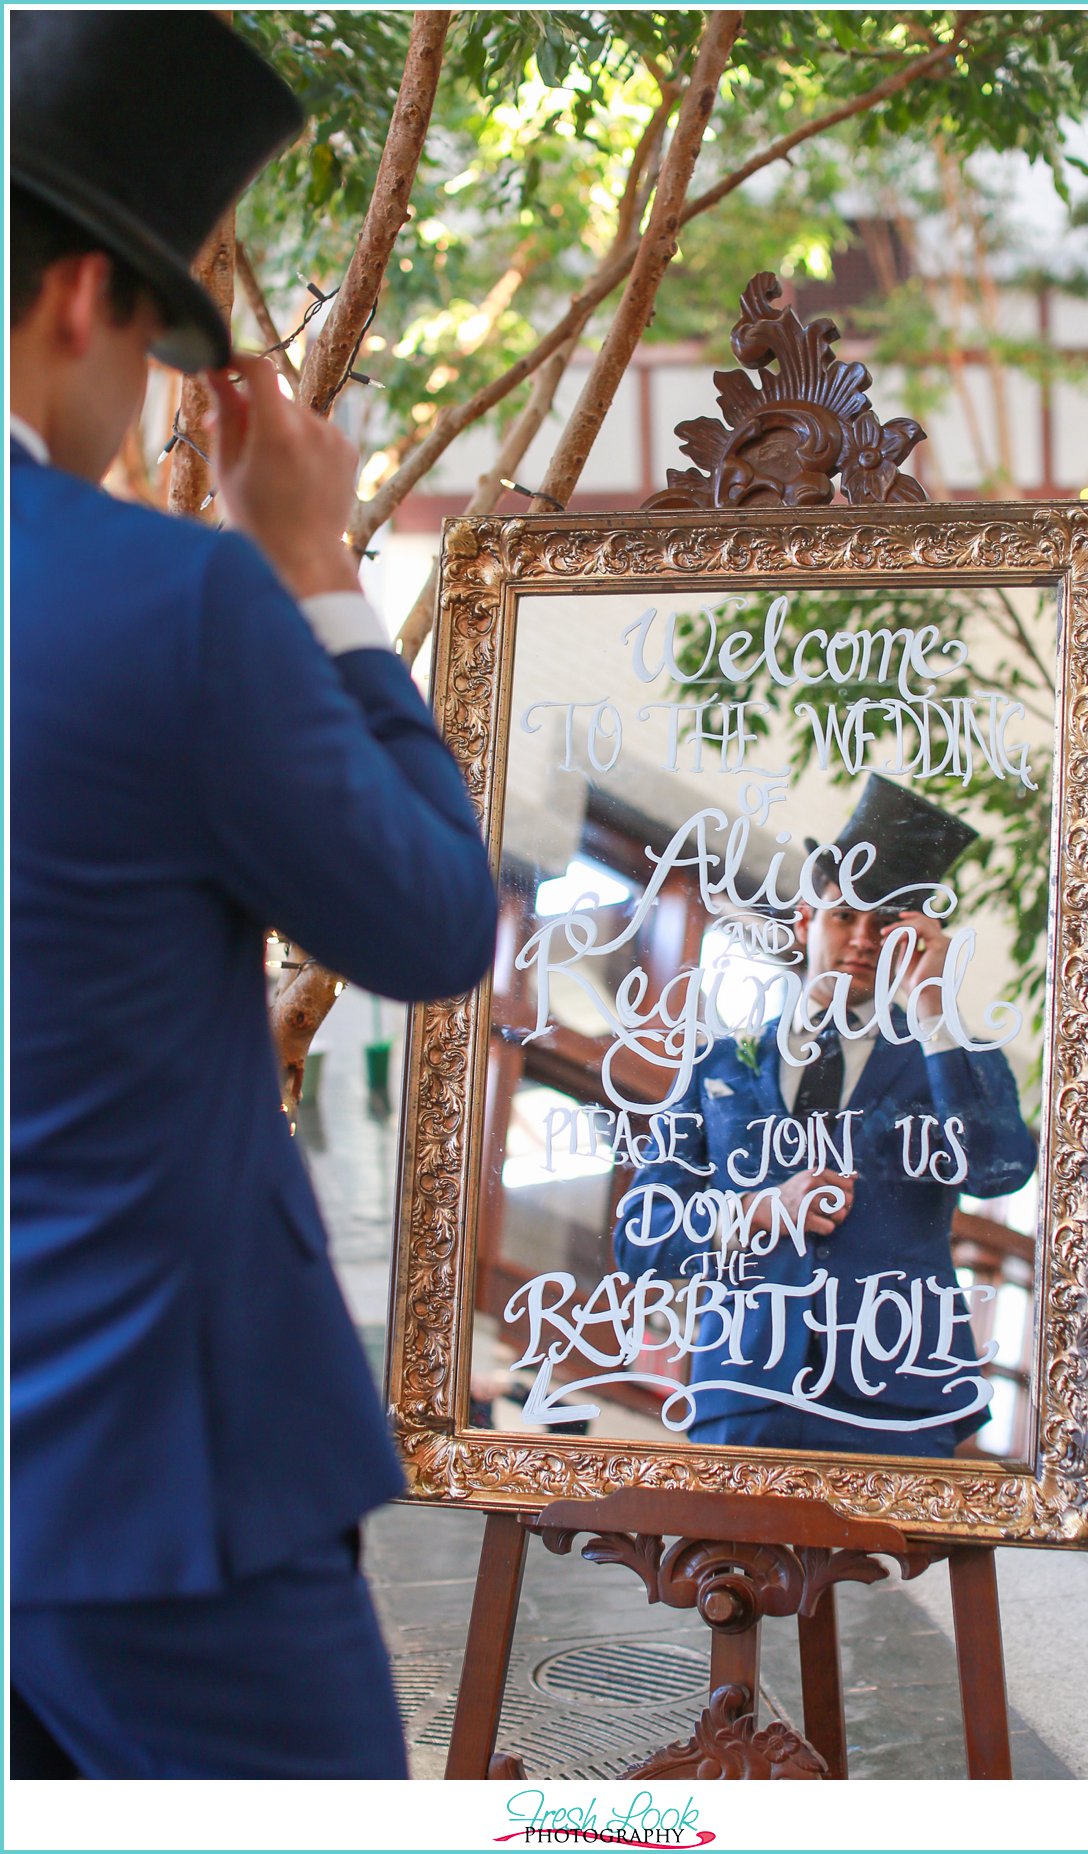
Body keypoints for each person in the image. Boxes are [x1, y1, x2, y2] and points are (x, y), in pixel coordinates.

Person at [10, 13, 497, 1778]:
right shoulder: (165, 604)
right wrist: (310, 561)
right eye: (147, 335)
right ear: (84, 302)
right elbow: (437, 919)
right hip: (161, 1492)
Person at [613, 776, 1037, 1459]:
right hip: (743, 1392)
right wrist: (757, 1210)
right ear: (806, 921)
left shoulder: (954, 1059)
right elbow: (638, 1237)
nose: (863, 940)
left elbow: (998, 1172)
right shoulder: (719, 1066)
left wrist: (932, 1005)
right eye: (846, 917)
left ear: (917, 937)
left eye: (887, 923)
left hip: (901, 1396)